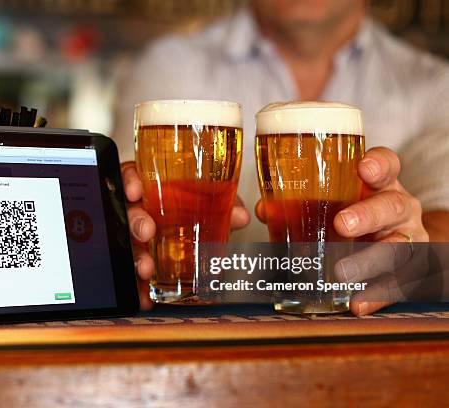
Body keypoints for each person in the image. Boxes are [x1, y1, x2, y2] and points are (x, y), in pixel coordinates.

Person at [112, 0, 449, 314]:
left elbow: (443, 210)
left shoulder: (434, 86)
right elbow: (133, 199)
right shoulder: (171, 64)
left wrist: (416, 248)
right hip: (197, 337)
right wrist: (126, 220)